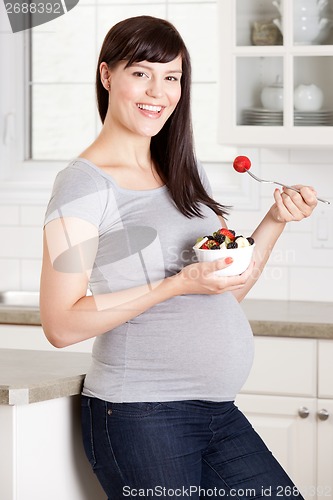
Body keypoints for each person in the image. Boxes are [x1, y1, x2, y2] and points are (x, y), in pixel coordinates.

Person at [40, 15, 318, 500]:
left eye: (172, 77)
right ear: (107, 76)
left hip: (216, 411)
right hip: (141, 414)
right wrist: (175, 284)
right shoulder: (84, 184)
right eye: (141, 72)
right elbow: (61, 324)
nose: (159, 91)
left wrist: (275, 219)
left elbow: (225, 291)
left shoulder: (184, 174)